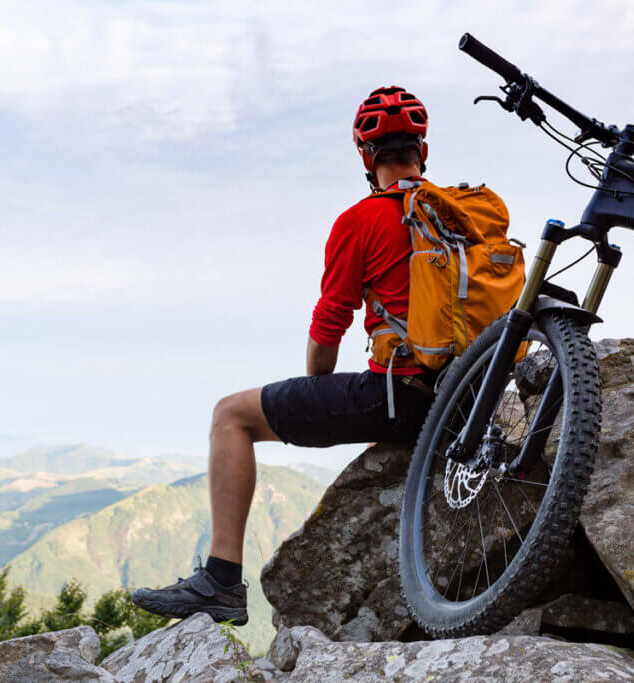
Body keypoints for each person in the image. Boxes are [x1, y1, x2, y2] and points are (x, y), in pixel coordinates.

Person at [131, 87, 442, 625]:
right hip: (465, 396)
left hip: (399, 395)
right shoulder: (467, 213)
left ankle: (222, 581)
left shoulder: (362, 220)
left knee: (230, 415)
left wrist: (318, 389)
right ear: (423, 153)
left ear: (368, 159)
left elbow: (329, 326)